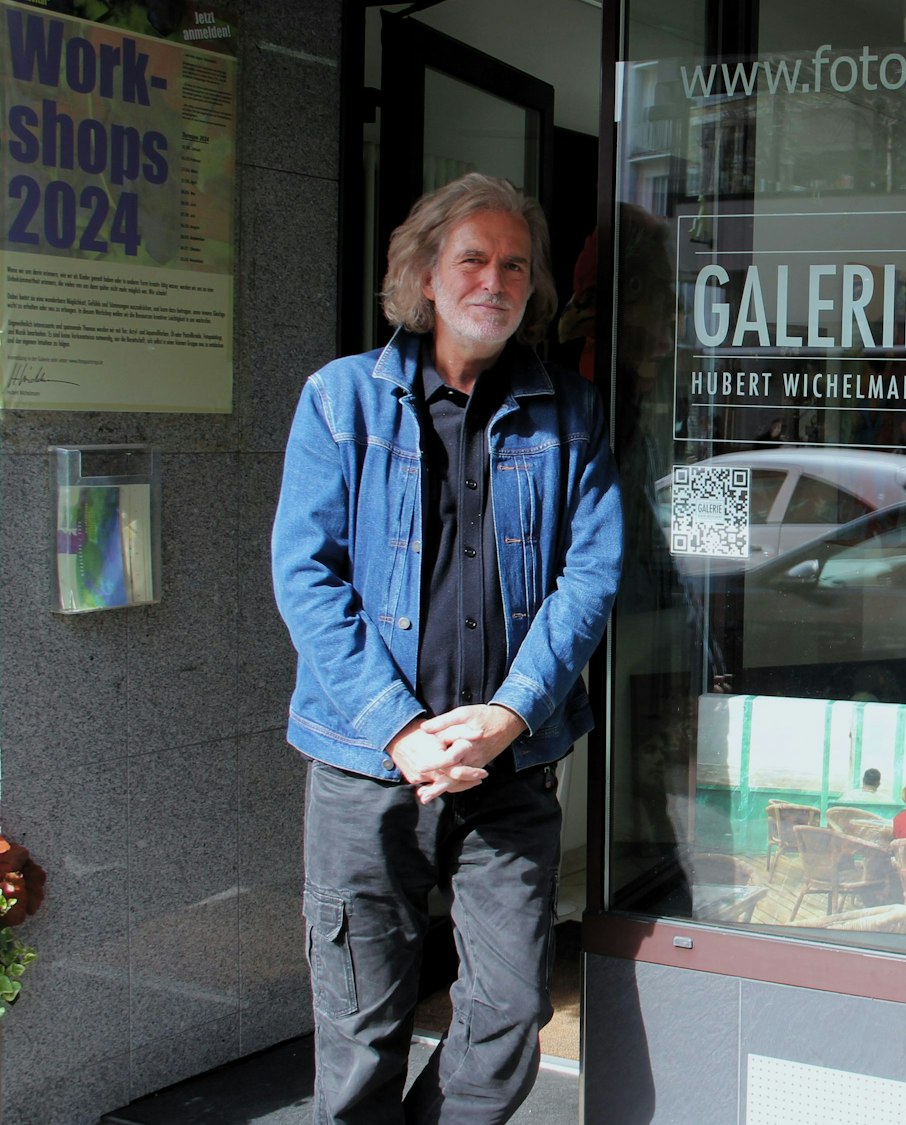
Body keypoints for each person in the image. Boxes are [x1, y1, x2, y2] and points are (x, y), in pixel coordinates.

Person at [271, 172, 622, 1124]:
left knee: (509, 1015)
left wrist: (509, 714)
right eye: (473, 259)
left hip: (507, 768)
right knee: (359, 1032)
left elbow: (590, 576)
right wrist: (401, 730)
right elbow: (307, 578)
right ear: (426, 274)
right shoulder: (341, 400)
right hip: (366, 767)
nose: (494, 281)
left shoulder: (570, 411)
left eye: (514, 264)